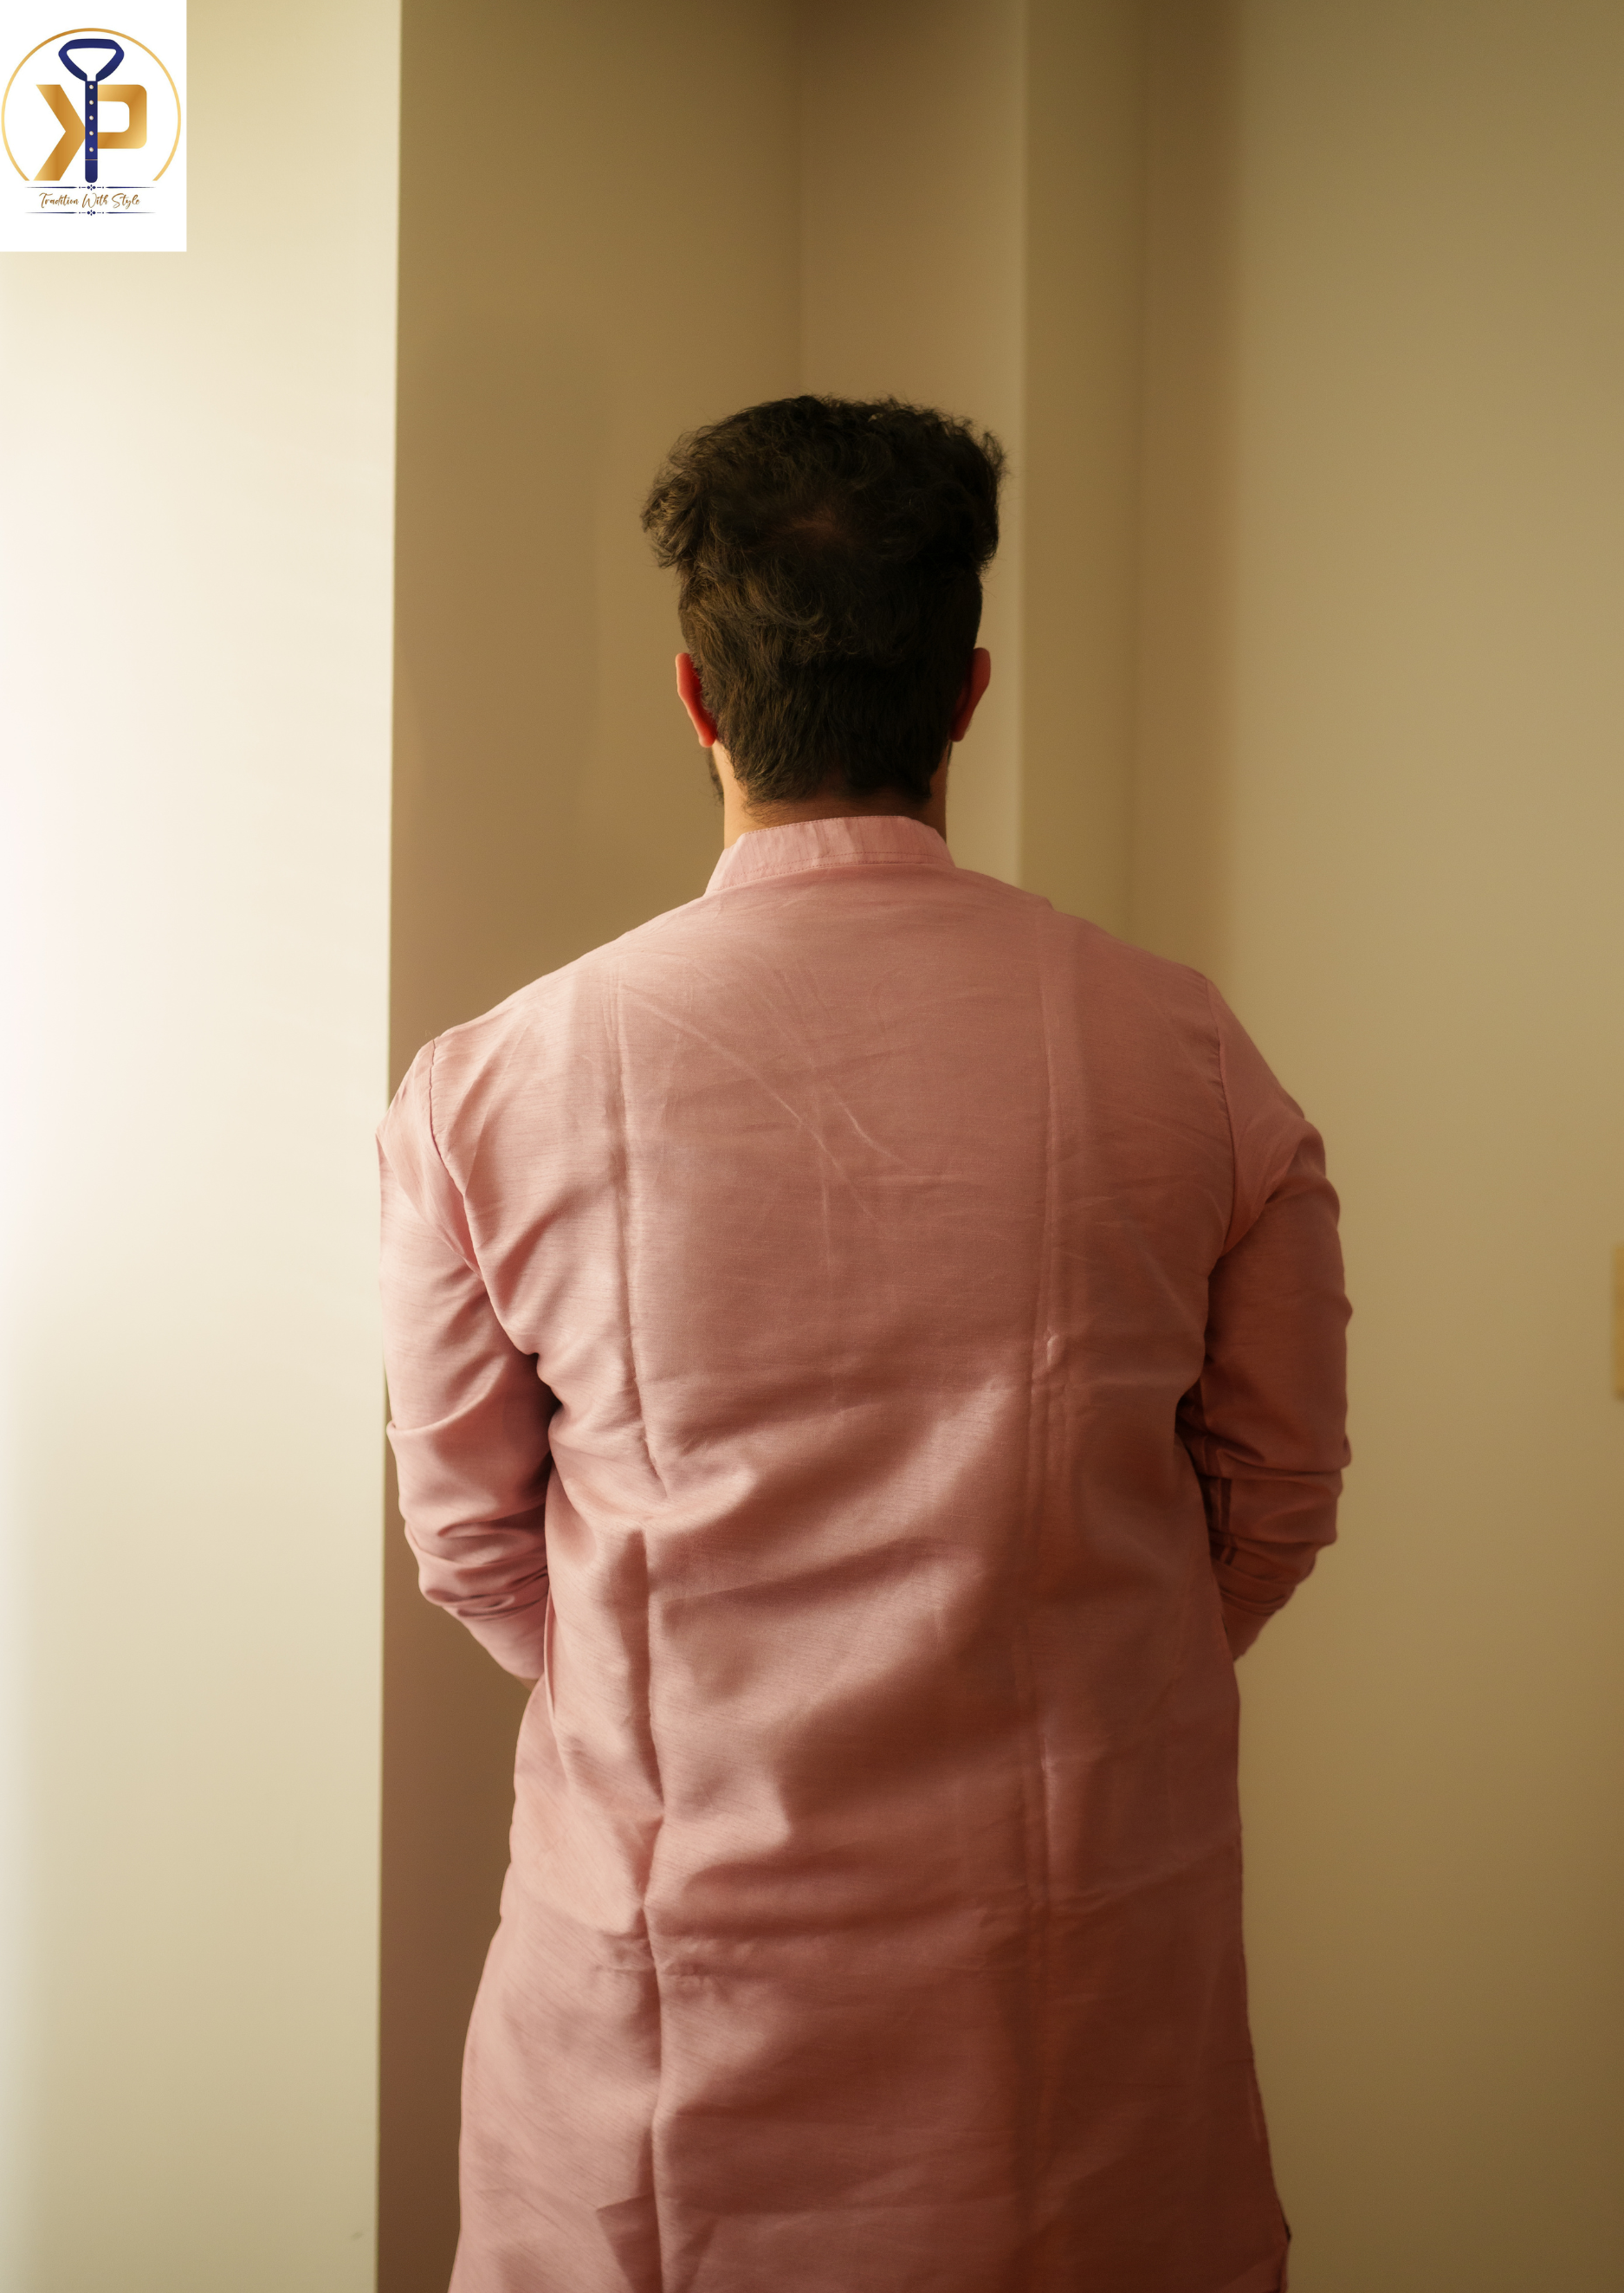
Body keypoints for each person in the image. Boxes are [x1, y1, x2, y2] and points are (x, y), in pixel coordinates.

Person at [378, 394, 1350, 2293]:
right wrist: (1060, 1657)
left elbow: (474, 1543)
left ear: (695, 698)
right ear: (966, 691)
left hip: (658, 2031)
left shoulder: (491, 1086)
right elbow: (1278, 1499)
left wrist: (690, 1715)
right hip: (1079, 2012)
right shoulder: (1185, 1056)